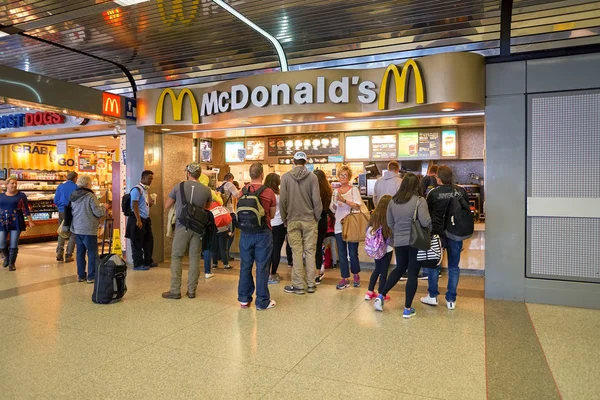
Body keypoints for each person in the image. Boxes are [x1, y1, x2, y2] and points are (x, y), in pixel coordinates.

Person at [373, 173, 431, 318]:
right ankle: (407, 308)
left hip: (399, 241)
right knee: (412, 273)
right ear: (416, 186)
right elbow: (425, 222)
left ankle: (381, 296)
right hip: (415, 241)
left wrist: (398, 233)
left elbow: (390, 223)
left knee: (399, 268)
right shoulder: (419, 201)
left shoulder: (393, 201)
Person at [421, 165, 468, 310]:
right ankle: (451, 300)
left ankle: (433, 296)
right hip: (455, 234)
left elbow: (427, 214)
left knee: (434, 265)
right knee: (454, 267)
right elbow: (466, 211)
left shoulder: (433, 193)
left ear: (438, 178)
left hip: (437, 234)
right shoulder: (460, 191)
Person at [162, 163, 212, 299]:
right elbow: (207, 207)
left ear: (188, 173)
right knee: (195, 258)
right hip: (198, 228)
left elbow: (167, 205)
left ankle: (175, 290)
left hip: (181, 226)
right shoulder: (206, 190)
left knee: (177, 256)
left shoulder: (179, 186)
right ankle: (191, 291)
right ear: (199, 174)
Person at [280, 152, 322, 295]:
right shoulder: (313, 177)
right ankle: (311, 284)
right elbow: (317, 200)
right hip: (309, 219)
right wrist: (317, 217)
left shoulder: (285, 177)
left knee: (296, 251)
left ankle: (298, 285)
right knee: (310, 251)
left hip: (292, 219)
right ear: (306, 161)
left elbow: (283, 201)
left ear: (293, 161)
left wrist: (285, 218)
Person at [237, 163, 277, 309]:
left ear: (250, 174)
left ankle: (244, 299)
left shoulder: (242, 191)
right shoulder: (268, 192)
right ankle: (262, 301)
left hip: (245, 233)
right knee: (262, 267)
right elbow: (272, 215)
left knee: (245, 266)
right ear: (262, 174)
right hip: (263, 233)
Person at [70, 175, 108, 283]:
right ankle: (92, 276)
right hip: (88, 228)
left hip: (77, 228)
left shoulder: (73, 195)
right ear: (87, 184)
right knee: (92, 253)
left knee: (80, 253)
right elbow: (98, 212)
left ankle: (81, 275)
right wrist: (103, 207)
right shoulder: (90, 196)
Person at [330, 166, 363, 290]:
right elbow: (333, 209)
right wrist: (334, 202)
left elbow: (357, 206)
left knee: (353, 253)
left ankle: (356, 275)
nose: (343, 178)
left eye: (345, 175)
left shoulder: (354, 190)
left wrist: (344, 200)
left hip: (351, 225)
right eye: (341, 175)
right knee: (342, 253)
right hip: (339, 225)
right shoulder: (335, 191)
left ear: (349, 177)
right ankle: (344, 277)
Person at [0, 178, 34, 271]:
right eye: (12, 183)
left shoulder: (21, 195)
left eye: (15, 183)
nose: (14, 185)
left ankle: (11, 263)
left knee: (13, 242)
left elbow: (26, 209)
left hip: (16, 220)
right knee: (1, 242)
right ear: (7, 185)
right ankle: (6, 258)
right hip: (2, 221)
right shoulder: (1, 196)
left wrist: (30, 221)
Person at [364, 195, 394, 301]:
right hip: (387, 248)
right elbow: (391, 233)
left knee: (377, 269)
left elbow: (367, 229)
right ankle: (381, 293)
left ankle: (369, 291)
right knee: (384, 271)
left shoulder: (374, 215)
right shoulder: (389, 216)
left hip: (376, 248)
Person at [125, 170, 156, 271]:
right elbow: (134, 205)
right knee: (137, 242)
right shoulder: (137, 189)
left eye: (152, 178)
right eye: (149, 178)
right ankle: (137, 264)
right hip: (137, 219)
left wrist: (150, 203)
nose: (151, 180)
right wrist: (138, 220)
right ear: (143, 178)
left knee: (148, 241)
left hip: (145, 219)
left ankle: (148, 260)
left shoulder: (145, 190)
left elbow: (143, 205)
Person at [264, 173, 284, 284]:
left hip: (267, 225)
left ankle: (266, 274)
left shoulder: (264, 194)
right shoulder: (280, 195)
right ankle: (273, 273)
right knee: (276, 250)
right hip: (279, 224)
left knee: (267, 251)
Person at [313, 169, 332, 284]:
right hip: (323, 220)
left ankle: (311, 272)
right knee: (319, 246)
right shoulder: (328, 191)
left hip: (312, 221)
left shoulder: (312, 190)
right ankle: (318, 272)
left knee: (311, 247)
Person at [54, 171, 78, 263]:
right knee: (73, 233)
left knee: (62, 232)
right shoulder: (76, 187)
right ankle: (68, 255)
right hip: (73, 211)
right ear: (75, 178)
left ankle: (59, 253)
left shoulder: (60, 186)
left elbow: (55, 200)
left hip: (62, 211)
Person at [217, 173, 239, 259]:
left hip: (222, 212)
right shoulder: (229, 184)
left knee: (222, 235)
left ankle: (220, 255)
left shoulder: (220, 185)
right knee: (231, 234)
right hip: (229, 212)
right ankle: (226, 255)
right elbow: (237, 194)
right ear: (231, 179)